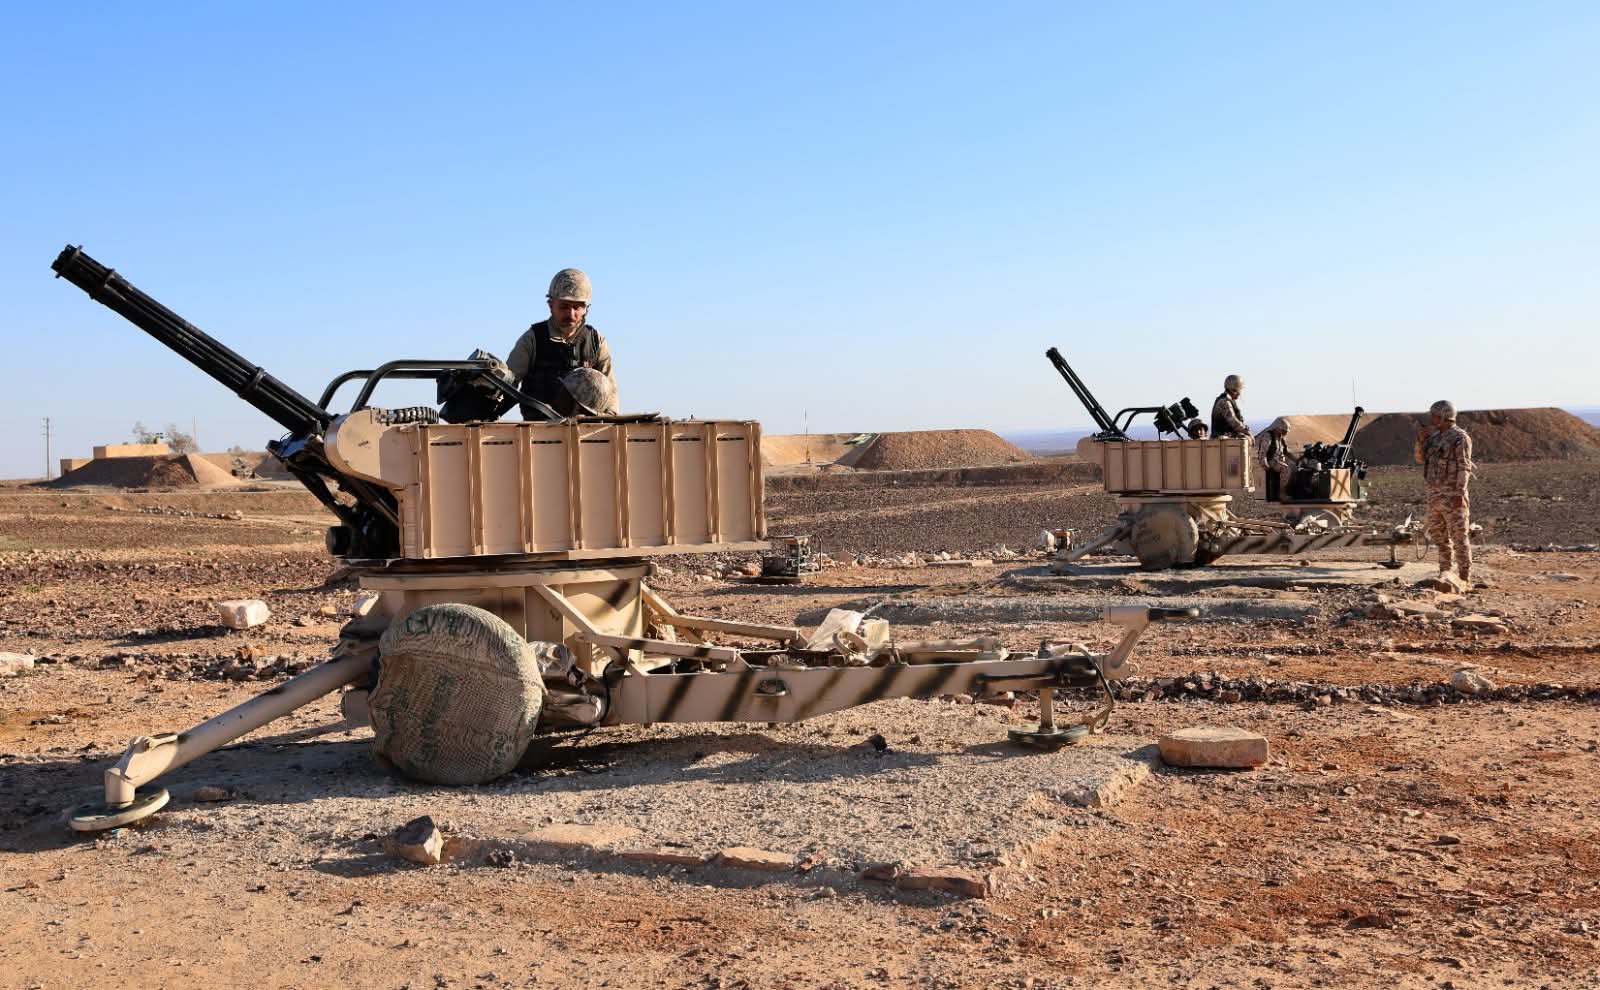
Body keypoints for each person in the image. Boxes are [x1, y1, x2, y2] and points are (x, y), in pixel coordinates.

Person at [506, 268, 616, 420]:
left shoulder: (596, 341)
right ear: (551, 305)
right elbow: (507, 383)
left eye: (577, 307)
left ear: (586, 309)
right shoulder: (533, 339)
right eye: (564, 306)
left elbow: (610, 392)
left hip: (587, 427)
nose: (571, 314)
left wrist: (610, 419)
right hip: (539, 429)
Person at [1414, 400, 1475, 584]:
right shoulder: (1434, 438)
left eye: (1434, 415)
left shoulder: (1460, 438)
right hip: (1435, 497)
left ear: (1444, 416)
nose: (1431, 418)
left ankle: (1464, 577)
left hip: (1452, 497)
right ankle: (1445, 574)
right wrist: (1421, 440)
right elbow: (1419, 458)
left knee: (1459, 538)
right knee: (1440, 538)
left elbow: (1464, 468)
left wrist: (1459, 494)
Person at [1256, 417, 1294, 499]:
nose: (1285, 433)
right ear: (1278, 428)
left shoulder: (1281, 438)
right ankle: (1281, 493)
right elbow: (1263, 452)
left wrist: (1297, 460)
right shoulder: (1268, 436)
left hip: (1280, 460)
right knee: (1286, 469)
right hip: (1271, 460)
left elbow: (1286, 452)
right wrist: (1264, 463)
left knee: (1294, 467)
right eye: (1283, 431)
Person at [1210, 374, 1250, 439]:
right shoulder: (1224, 401)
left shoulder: (1230, 400)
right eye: (1240, 389)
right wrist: (1247, 432)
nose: (1240, 393)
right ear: (1235, 390)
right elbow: (1233, 421)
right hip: (1221, 440)